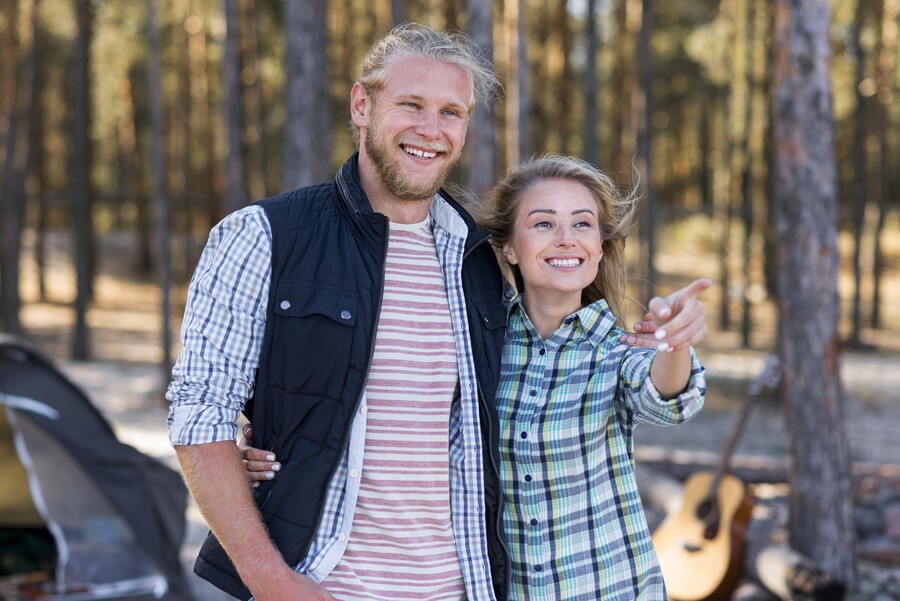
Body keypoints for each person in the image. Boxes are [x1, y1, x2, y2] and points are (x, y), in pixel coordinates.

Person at [244, 154, 709, 599]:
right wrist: (270, 438)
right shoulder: (474, 344)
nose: (566, 238)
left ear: (600, 245)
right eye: (544, 223)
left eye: (583, 223)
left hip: (610, 589)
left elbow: (666, 397)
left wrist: (675, 341)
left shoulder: (616, 351)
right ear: (509, 245)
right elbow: (386, 403)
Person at [166, 23, 511, 601]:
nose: (431, 130)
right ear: (362, 104)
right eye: (411, 104)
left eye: (452, 112)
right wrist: (271, 581)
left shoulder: (478, 261)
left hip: (463, 587)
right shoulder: (264, 236)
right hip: (321, 585)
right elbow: (200, 415)